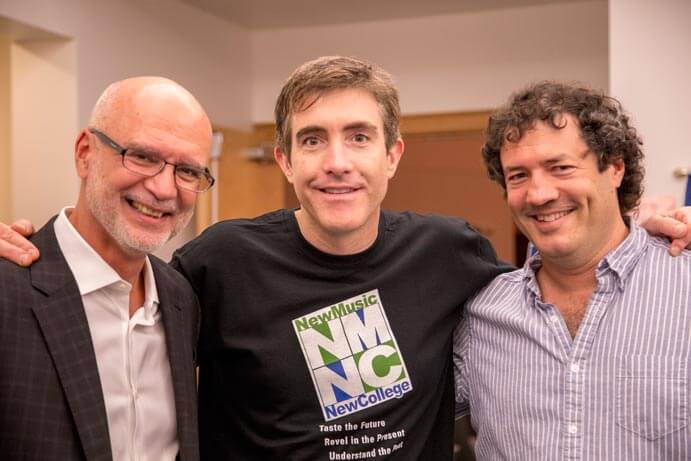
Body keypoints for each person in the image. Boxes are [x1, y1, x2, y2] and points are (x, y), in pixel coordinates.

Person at [1, 59, 690, 460]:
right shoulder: (216, 263)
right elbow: (110, 318)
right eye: (312, 140)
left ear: (392, 155)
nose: (336, 163)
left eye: (359, 137)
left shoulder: (454, 256)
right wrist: (32, 254)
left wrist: (652, 225)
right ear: (283, 161)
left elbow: (562, 252)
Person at [453, 81, 690, 460]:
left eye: (560, 167)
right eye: (518, 176)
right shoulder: (479, 314)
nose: (539, 193)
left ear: (614, 167)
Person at [0, 77, 211, 460]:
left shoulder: (180, 298)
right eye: (143, 156)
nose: (164, 189)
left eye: (188, 172)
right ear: (85, 153)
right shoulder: (8, 287)